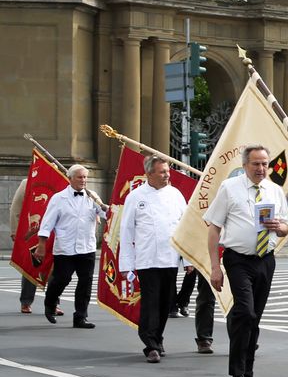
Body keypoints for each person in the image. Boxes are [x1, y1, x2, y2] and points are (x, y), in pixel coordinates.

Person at [205, 144, 288, 377]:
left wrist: (279, 227)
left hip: (265, 259)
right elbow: (213, 228)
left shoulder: (275, 190)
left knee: (255, 318)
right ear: (245, 166)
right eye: (256, 164)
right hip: (238, 259)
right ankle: (237, 375)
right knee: (245, 311)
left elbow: (286, 227)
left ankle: (248, 375)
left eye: (265, 164)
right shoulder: (230, 188)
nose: (261, 168)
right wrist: (215, 267)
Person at [118, 155, 187, 363]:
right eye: (162, 172)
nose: (167, 175)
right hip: (147, 259)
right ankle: (150, 344)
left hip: (170, 258)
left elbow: (184, 228)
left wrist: (188, 260)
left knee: (166, 303)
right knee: (151, 302)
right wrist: (126, 264)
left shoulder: (176, 195)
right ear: (149, 173)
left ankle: (157, 337)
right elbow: (126, 232)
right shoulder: (135, 197)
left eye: (167, 171)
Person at [35, 164, 106, 329]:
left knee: (85, 283)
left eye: (85, 177)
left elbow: (104, 213)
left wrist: (110, 210)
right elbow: (47, 223)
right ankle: (50, 302)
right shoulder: (59, 198)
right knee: (62, 279)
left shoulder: (92, 196)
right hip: (65, 248)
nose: (83, 180)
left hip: (87, 247)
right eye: (80, 177)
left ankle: (80, 317)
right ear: (70, 178)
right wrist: (41, 244)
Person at [9, 177, 60, 315]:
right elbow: (16, 208)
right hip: (31, 233)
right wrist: (15, 231)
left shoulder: (61, 181)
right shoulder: (27, 183)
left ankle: (54, 303)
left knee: (54, 269)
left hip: (54, 233)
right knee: (31, 266)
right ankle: (26, 302)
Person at [174, 264, 216, 353]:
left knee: (238, 299)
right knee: (206, 296)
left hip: (237, 254)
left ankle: (242, 337)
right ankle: (204, 339)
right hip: (207, 257)